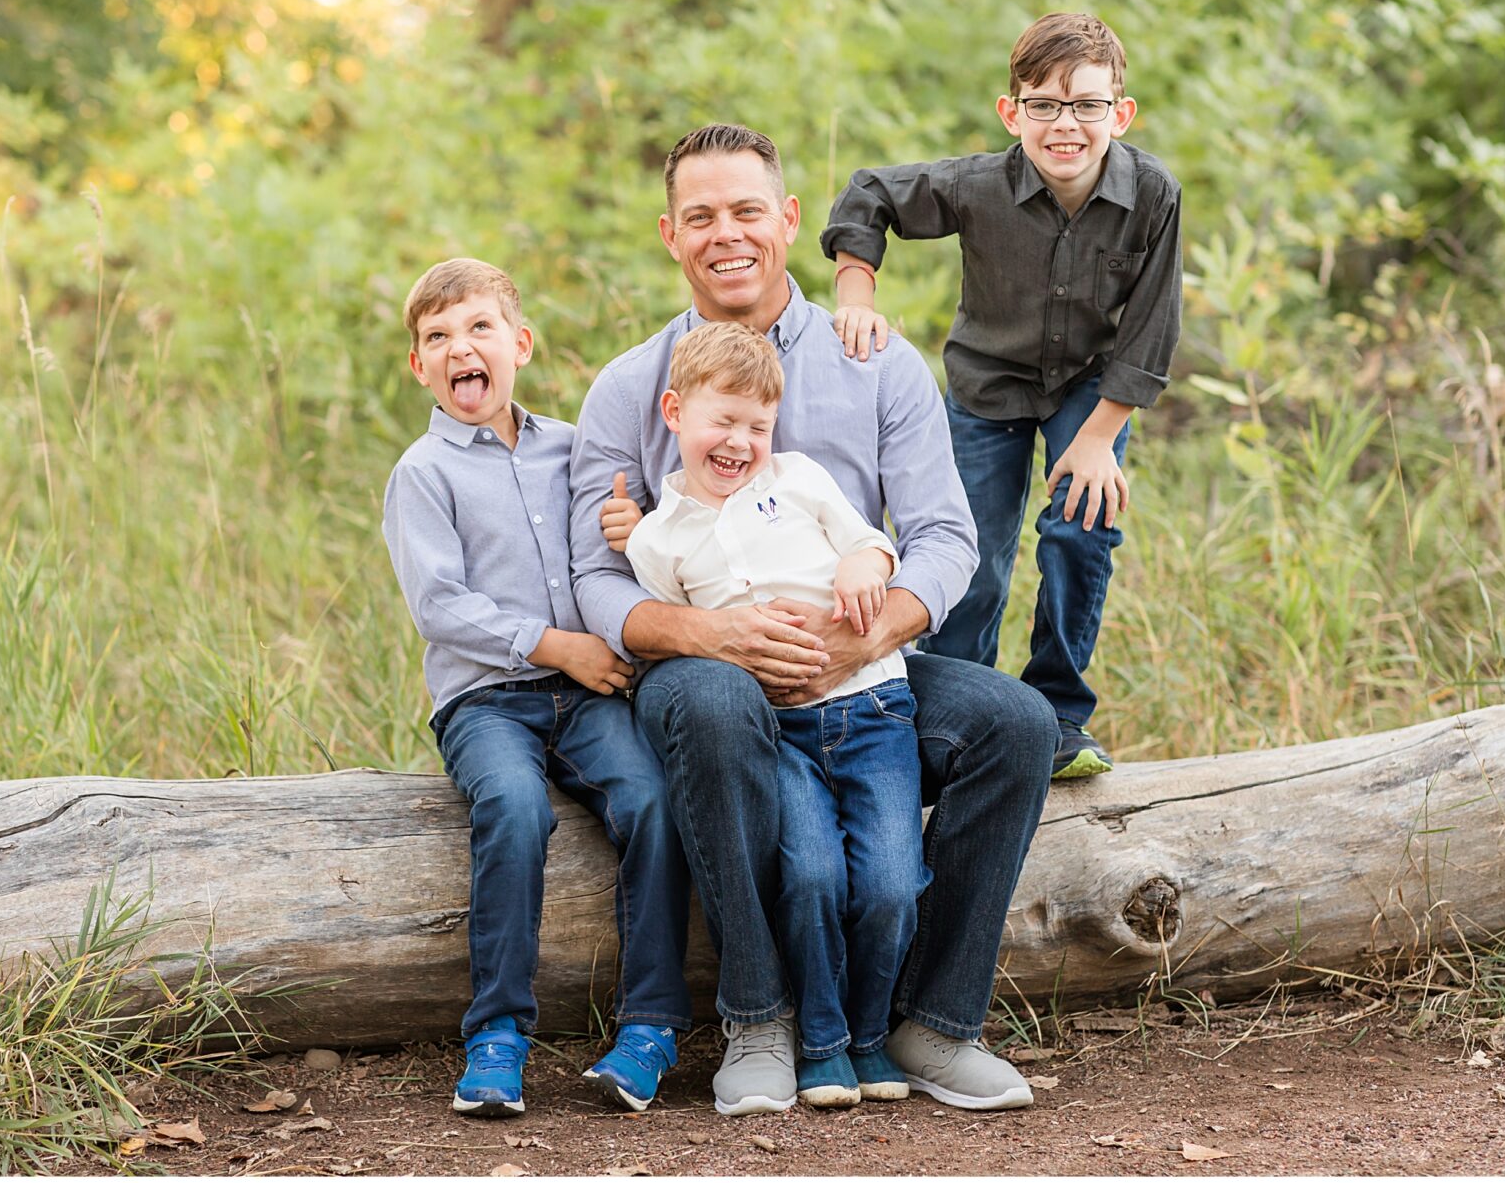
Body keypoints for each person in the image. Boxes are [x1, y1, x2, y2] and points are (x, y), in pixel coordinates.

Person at [568, 123, 1055, 1116]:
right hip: (708, 671)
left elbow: (941, 537)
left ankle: (929, 1021)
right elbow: (592, 580)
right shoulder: (630, 387)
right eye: (699, 216)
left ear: (787, 219)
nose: (725, 234)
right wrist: (711, 637)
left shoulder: (875, 362)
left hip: (860, 674)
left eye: (746, 210)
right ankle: (759, 1015)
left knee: (1015, 724)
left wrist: (867, 635)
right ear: (669, 234)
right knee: (708, 699)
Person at [820, 12, 1184, 780]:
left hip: (1092, 384)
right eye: (1043, 104)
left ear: (1119, 113)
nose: (1065, 124)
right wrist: (856, 291)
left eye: (1087, 105)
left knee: (1082, 531)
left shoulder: (1153, 195)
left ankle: (1057, 716)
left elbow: (1153, 323)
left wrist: (1096, 439)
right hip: (989, 382)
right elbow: (869, 194)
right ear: (1010, 111)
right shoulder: (979, 186)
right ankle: (959, 716)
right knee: (970, 557)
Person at [382, 257, 692, 1118]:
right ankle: (497, 1033)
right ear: (419, 367)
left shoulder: (573, 448)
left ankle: (653, 1023)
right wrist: (555, 645)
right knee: (516, 807)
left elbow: (640, 543)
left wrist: (640, 530)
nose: (459, 349)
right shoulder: (423, 473)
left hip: (590, 696)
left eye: (478, 328)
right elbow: (440, 605)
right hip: (484, 700)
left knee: (652, 797)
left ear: (519, 343)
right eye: (437, 338)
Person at [603, 321, 927, 1109]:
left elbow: (872, 544)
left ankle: (870, 1033)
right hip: (779, 731)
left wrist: (863, 560)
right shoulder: (654, 540)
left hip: (872, 706)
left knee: (889, 881)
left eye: (757, 425)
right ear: (674, 412)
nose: (741, 441)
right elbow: (680, 642)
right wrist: (627, 531)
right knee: (810, 872)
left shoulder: (801, 477)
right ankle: (820, 1042)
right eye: (724, 421)